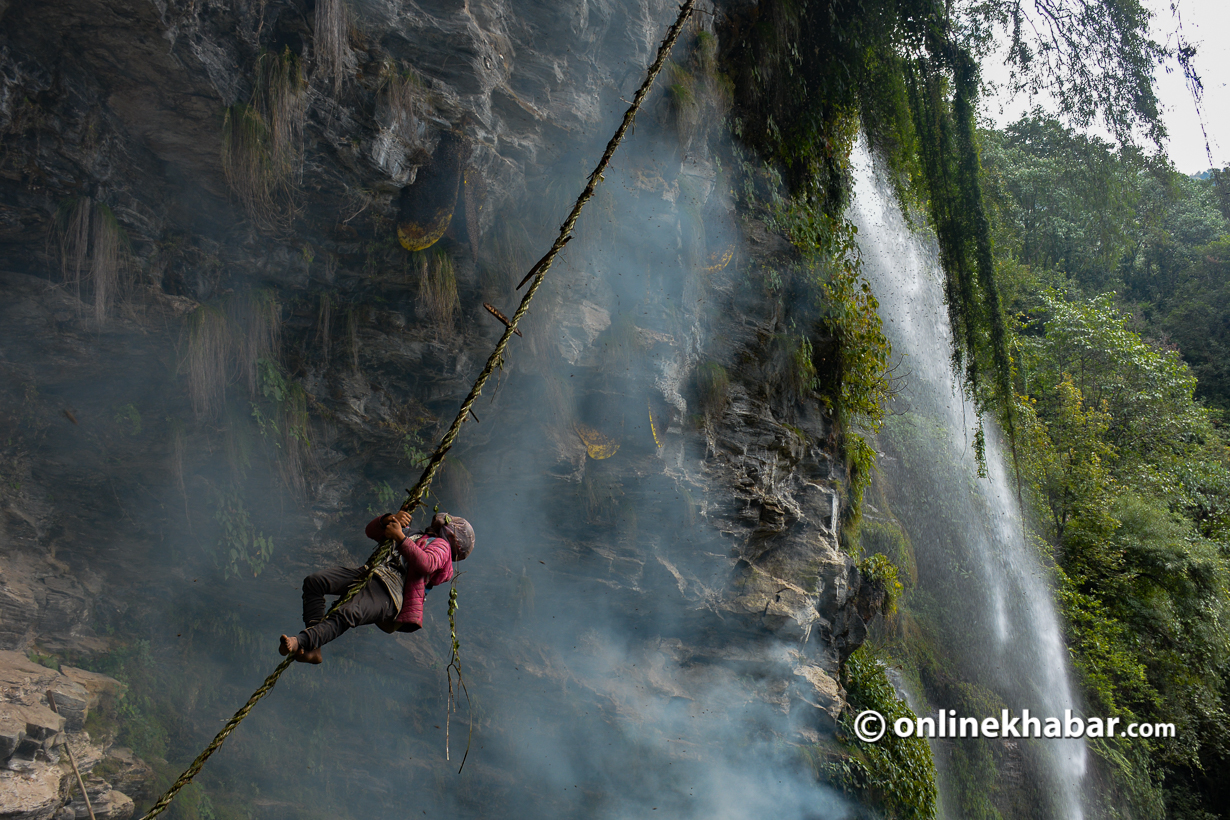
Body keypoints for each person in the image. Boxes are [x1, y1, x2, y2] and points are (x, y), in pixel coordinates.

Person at [278, 511, 475, 664]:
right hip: (369, 574)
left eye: (449, 519)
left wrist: (400, 538)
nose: (443, 517)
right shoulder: (416, 534)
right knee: (315, 582)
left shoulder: (443, 547)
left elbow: (426, 563)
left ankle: (302, 641)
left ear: (452, 533)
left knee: (347, 613)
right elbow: (371, 532)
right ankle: (314, 648)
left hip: (390, 592)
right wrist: (388, 520)